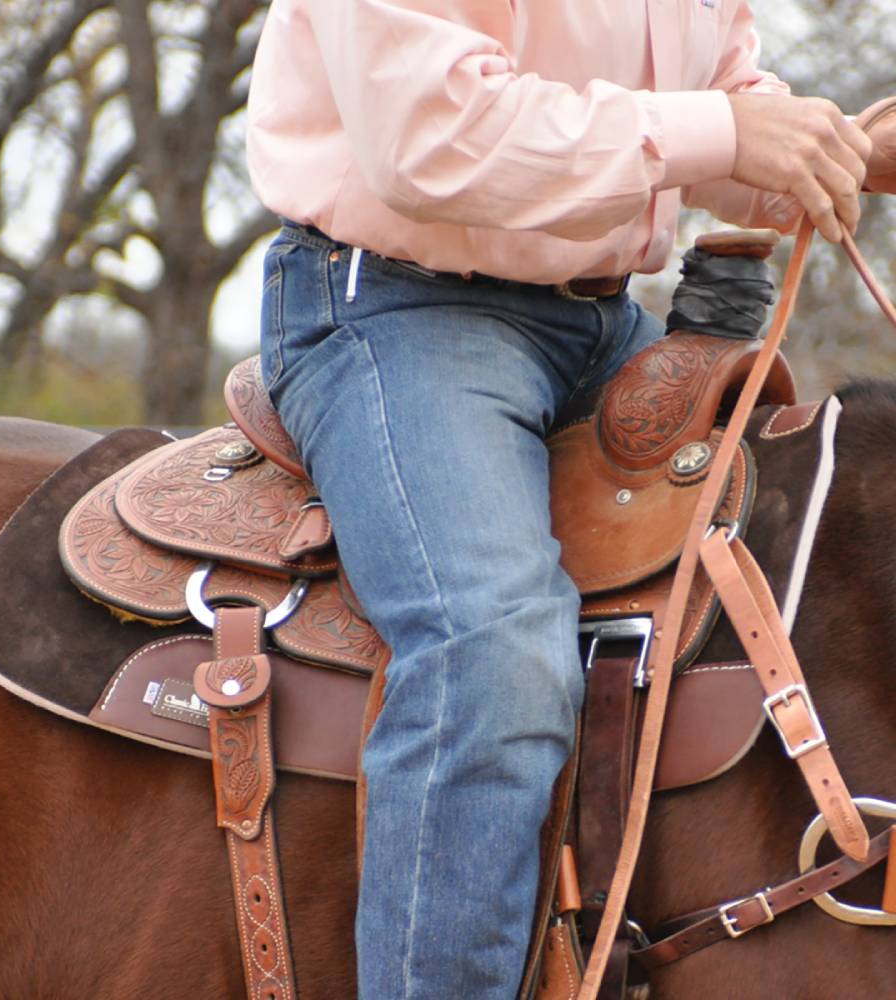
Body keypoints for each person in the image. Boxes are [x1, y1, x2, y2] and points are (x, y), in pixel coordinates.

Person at [244, 4, 883, 997]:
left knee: (795, 577)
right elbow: (430, 134)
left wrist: (829, 145)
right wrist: (726, 131)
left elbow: (715, 115)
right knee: (488, 653)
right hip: (398, 308)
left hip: (603, 319)